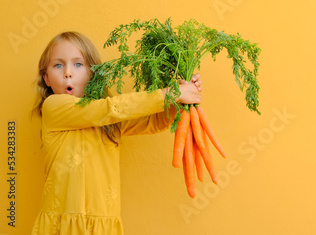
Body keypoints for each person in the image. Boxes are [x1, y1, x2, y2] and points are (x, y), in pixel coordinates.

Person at [30, 31, 202, 234]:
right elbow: (108, 109)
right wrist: (167, 94)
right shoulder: (53, 107)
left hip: (103, 225)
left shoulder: (110, 122)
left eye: (78, 64)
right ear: (46, 78)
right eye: (58, 65)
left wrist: (180, 99)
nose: (68, 72)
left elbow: (154, 121)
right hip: (61, 225)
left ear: (93, 73)